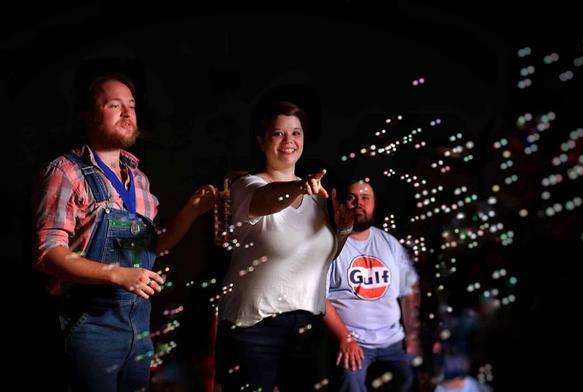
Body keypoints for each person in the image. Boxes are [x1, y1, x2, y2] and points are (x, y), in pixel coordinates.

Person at [32, 73, 218, 391]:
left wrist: (191, 212)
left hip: (138, 327)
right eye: (114, 105)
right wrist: (117, 274)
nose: (127, 113)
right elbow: (48, 253)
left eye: (131, 106)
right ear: (89, 116)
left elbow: (152, 247)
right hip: (90, 327)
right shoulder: (66, 172)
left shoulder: (140, 181)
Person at [215, 100, 354, 391]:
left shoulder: (317, 197)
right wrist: (299, 187)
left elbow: (319, 259)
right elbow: (267, 199)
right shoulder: (247, 186)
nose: (289, 141)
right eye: (278, 133)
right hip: (254, 327)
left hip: (306, 326)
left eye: (296, 133)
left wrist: (342, 230)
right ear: (261, 140)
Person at [323, 179, 420, 392]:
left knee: (409, 381)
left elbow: (409, 290)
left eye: (365, 198)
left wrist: (412, 334)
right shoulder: (329, 245)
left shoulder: (389, 243)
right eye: (351, 198)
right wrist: (345, 338)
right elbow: (319, 299)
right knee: (350, 384)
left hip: (393, 340)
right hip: (354, 341)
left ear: (374, 204)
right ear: (340, 204)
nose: (359, 203)